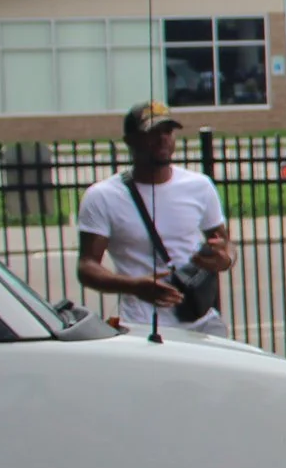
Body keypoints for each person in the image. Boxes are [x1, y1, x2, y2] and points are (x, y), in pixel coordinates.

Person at [76, 102, 234, 337]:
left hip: (200, 320)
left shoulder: (199, 186)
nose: (162, 139)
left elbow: (225, 244)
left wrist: (225, 258)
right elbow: (87, 267)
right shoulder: (103, 196)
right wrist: (134, 286)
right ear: (130, 141)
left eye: (167, 132)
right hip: (143, 327)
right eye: (151, 132)